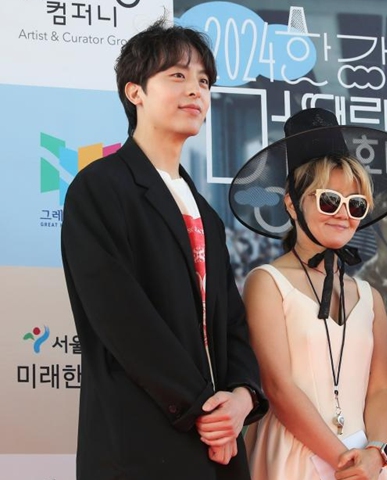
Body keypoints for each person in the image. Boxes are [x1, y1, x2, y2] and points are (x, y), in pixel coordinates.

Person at [60, 19, 267, 479]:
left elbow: (232, 321)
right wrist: (203, 410)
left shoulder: (206, 213)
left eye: (204, 81)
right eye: (177, 75)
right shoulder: (99, 188)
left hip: (219, 445)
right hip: (141, 440)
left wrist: (242, 397)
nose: (195, 90)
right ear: (135, 92)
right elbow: (122, 318)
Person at [231, 108, 387, 480]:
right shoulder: (266, 283)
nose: (343, 214)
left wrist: (375, 453)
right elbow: (279, 388)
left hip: (368, 461)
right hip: (294, 457)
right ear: (291, 203)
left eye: (356, 205)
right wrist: (343, 460)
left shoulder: (370, 298)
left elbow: (380, 390)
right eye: (329, 200)